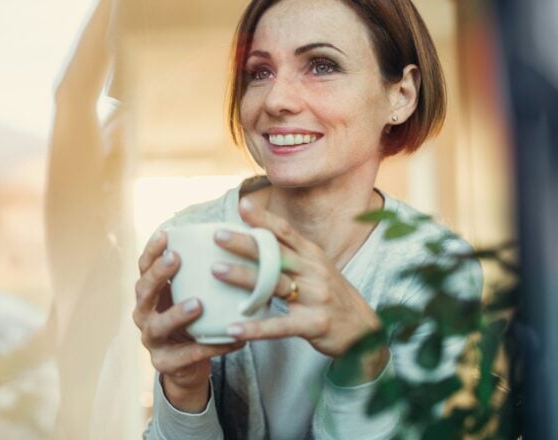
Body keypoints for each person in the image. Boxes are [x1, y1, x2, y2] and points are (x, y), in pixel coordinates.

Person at [133, 0, 483, 438]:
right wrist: (183, 389)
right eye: (259, 72)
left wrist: (366, 363)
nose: (277, 100)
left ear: (402, 95)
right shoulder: (191, 238)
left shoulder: (435, 268)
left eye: (321, 66)